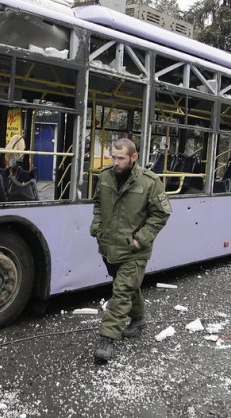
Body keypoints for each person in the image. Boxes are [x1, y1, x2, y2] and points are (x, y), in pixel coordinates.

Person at [90, 138, 171, 362]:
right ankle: (139, 319)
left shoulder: (150, 182)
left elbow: (161, 214)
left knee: (121, 291)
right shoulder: (105, 176)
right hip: (109, 248)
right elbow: (98, 204)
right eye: (112, 157)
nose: (115, 162)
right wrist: (97, 227)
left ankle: (106, 340)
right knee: (128, 287)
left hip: (135, 251)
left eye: (120, 158)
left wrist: (140, 239)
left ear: (133, 158)